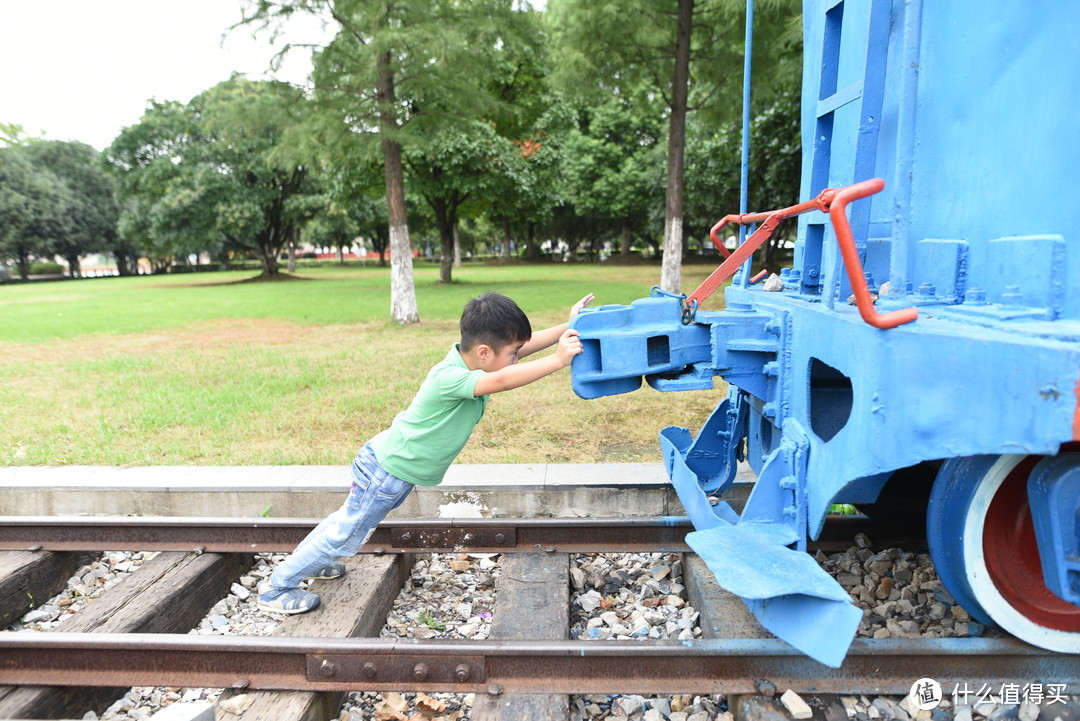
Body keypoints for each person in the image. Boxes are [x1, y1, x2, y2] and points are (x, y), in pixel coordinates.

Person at [258, 291, 595, 614]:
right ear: (484, 352)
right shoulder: (449, 378)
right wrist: (558, 360)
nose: (517, 357)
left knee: (345, 524)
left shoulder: (474, 360)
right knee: (346, 531)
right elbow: (504, 380)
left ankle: (315, 560)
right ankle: (277, 588)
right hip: (384, 472)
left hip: (387, 465)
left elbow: (516, 353)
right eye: (513, 353)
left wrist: (569, 327)